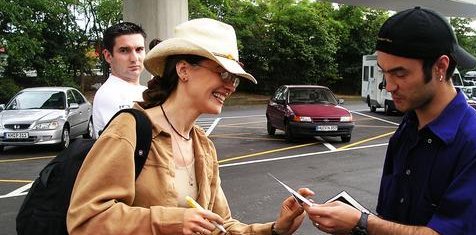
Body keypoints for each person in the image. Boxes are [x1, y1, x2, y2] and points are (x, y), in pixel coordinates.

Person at [67, 18, 314, 235]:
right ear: (184, 70)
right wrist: (172, 222)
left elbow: (221, 226)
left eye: (235, 80)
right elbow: (86, 220)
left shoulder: (203, 145)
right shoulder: (129, 130)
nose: (230, 87)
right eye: (224, 74)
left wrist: (274, 229)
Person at [303, 6, 476, 235]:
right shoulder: (407, 127)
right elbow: (391, 218)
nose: (389, 86)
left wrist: (362, 222)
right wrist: (351, 223)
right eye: (384, 72)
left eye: (400, 73)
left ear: (440, 67)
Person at [92, 22, 148, 138]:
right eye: (124, 50)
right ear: (108, 56)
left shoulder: (144, 90)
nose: (134, 58)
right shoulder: (109, 94)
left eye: (139, 49)